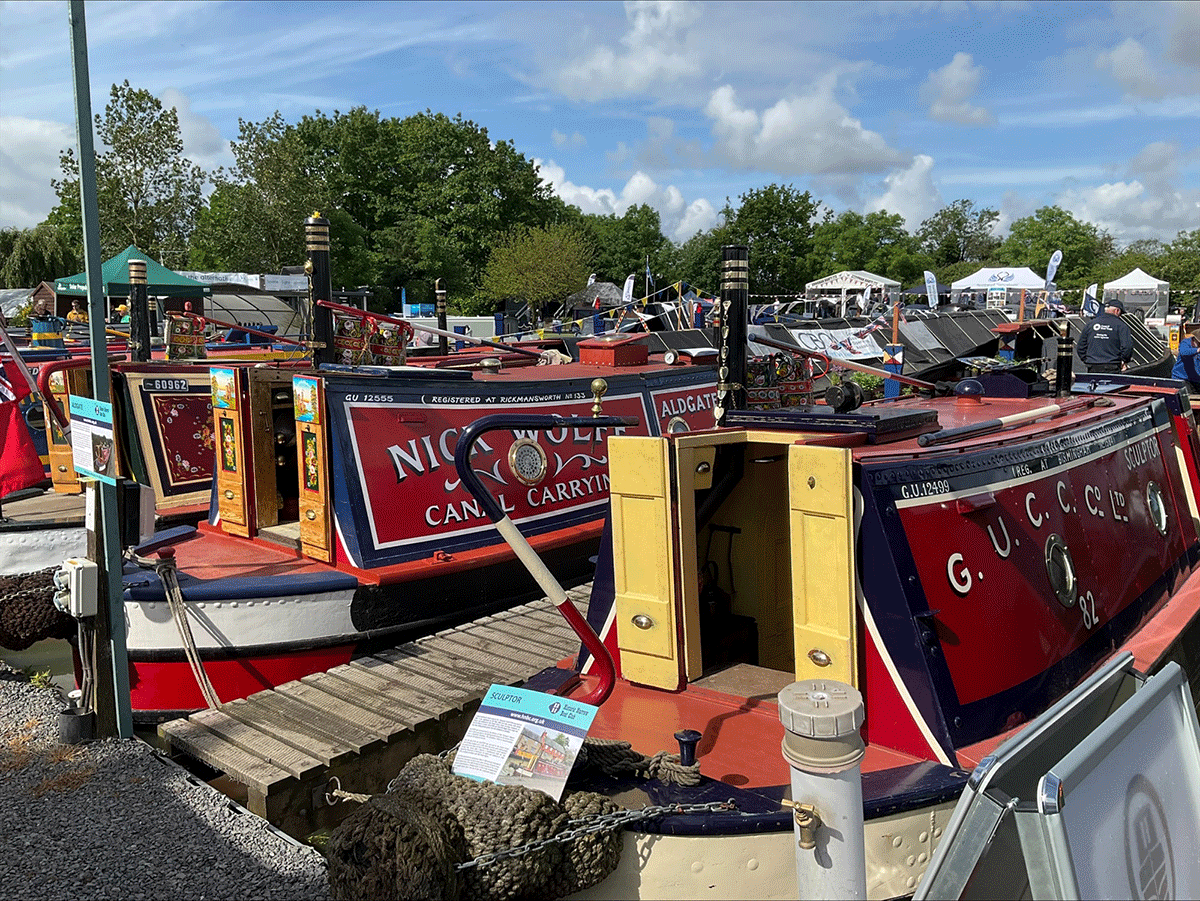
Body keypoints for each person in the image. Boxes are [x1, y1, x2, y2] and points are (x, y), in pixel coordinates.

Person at [1076, 298, 1133, 374]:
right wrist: (1124, 361)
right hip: (1112, 366)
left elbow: (1081, 346)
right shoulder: (1121, 326)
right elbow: (1127, 347)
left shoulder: (1091, 324)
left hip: (1093, 366)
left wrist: (1087, 360)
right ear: (1117, 311)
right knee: (1112, 386)